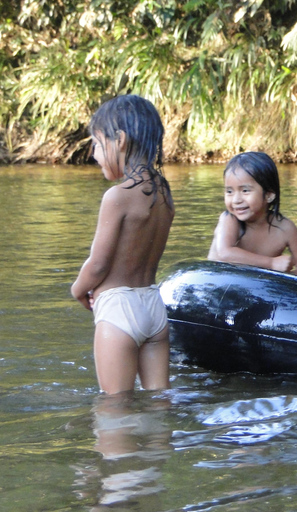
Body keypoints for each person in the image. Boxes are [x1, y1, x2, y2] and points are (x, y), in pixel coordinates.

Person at [71, 95, 175, 394]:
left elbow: (99, 263)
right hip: (154, 307)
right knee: (159, 404)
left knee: (115, 411)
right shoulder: (163, 194)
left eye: (97, 143)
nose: (94, 154)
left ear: (120, 140)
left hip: (119, 310)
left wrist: (78, 289)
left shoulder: (117, 196)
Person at [208, 151, 297, 278]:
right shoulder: (229, 219)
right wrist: (271, 263)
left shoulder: (285, 228)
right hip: (218, 283)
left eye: (245, 191)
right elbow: (225, 254)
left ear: (269, 195)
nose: (236, 200)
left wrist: (284, 280)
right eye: (229, 191)